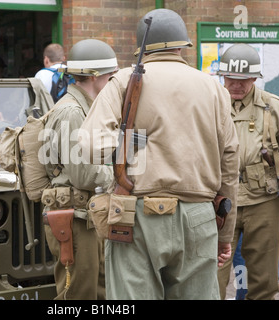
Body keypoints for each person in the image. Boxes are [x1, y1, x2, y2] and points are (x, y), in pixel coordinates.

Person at [79, 8, 240, 300]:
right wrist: (225, 232)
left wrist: (134, 142)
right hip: (199, 216)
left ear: (141, 45)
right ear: (182, 46)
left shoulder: (122, 80)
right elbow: (230, 161)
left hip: (137, 215)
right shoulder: (213, 88)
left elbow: (90, 144)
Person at [217, 43, 279, 300]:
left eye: (244, 79)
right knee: (210, 277)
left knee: (264, 282)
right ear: (223, 76)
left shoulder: (274, 107)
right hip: (219, 201)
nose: (237, 85)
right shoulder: (210, 104)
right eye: (232, 78)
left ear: (255, 78)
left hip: (263, 202)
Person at [40, 39, 118, 300]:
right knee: (78, 294)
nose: (112, 83)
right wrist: (119, 174)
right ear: (94, 77)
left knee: (99, 291)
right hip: (73, 218)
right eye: (110, 77)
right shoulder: (73, 112)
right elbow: (83, 174)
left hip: (85, 215)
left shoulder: (85, 108)